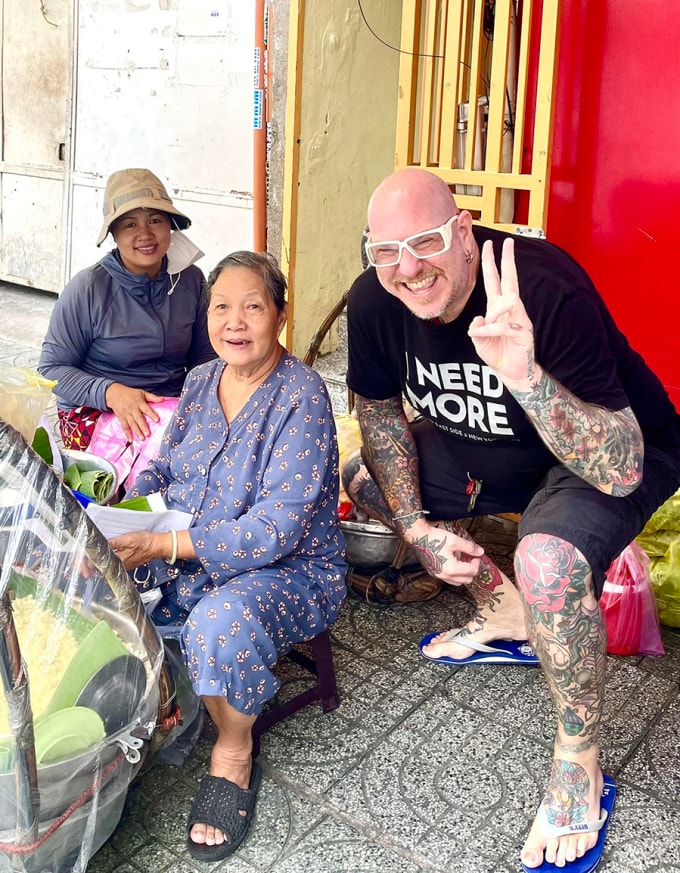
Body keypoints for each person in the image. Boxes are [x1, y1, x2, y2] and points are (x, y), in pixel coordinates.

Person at [342, 168, 680, 870]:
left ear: (464, 232)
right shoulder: (376, 295)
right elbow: (377, 413)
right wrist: (416, 528)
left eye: (427, 242)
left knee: (548, 558)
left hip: (597, 447)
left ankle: (579, 763)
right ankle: (504, 611)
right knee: (363, 478)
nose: (407, 269)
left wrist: (524, 374)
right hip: (487, 447)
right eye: (386, 251)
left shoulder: (543, 286)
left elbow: (620, 464)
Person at [108, 250, 347, 861]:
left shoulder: (302, 395)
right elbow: (164, 464)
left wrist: (163, 543)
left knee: (220, 622)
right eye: (221, 307)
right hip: (185, 543)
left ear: (281, 315)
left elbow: (276, 529)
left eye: (252, 306)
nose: (234, 322)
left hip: (289, 569)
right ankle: (134, 714)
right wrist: (126, 506)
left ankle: (233, 751)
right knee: (89, 575)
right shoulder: (198, 380)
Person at [38, 167, 215, 452]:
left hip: (168, 409)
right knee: (149, 477)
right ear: (114, 234)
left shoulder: (191, 279)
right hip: (96, 410)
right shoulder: (88, 288)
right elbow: (51, 370)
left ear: (170, 225)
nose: (145, 234)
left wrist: (203, 403)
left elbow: (204, 357)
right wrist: (111, 393)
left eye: (155, 220)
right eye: (130, 224)